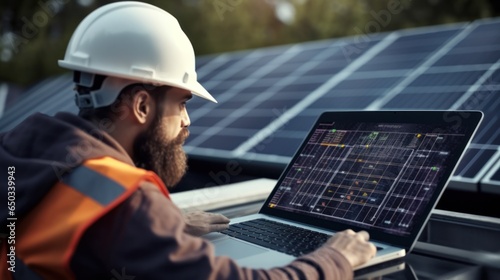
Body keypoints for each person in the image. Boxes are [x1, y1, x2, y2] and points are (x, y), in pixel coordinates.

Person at [0, 2, 376, 279]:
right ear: (143, 105)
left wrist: (167, 226)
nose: (187, 122)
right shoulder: (127, 202)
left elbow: (72, 222)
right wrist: (334, 259)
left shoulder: (24, 147)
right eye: (181, 104)